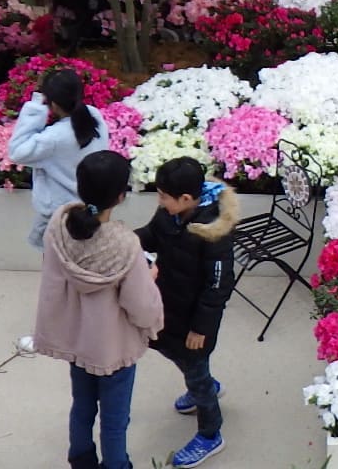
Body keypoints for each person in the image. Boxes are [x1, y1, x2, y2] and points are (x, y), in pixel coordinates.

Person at [32, 150, 165, 469]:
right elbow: (141, 306)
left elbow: (52, 274)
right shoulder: (125, 245)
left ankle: (80, 459)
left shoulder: (61, 222)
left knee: (82, 406)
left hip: (77, 341)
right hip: (112, 348)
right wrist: (149, 280)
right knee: (115, 420)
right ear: (121, 196)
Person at [135, 157, 238, 468]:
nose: (160, 201)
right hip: (169, 308)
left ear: (186, 199)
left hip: (194, 323)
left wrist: (200, 328)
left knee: (195, 368)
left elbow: (218, 285)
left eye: (164, 196)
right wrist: (123, 242)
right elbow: (151, 235)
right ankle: (203, 384)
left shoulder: (213, 232)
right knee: (177, 355)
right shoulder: (169, 214)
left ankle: (210, 433)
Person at [11, 69, 113, 353]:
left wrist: (34, 107)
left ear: (52, 103)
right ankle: (87, 329)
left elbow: (17, 150)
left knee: (56, 281)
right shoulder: (94, 118)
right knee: (82, 277)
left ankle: (47, 337)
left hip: (60, 218)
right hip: (91, 212)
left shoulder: (54, 138)